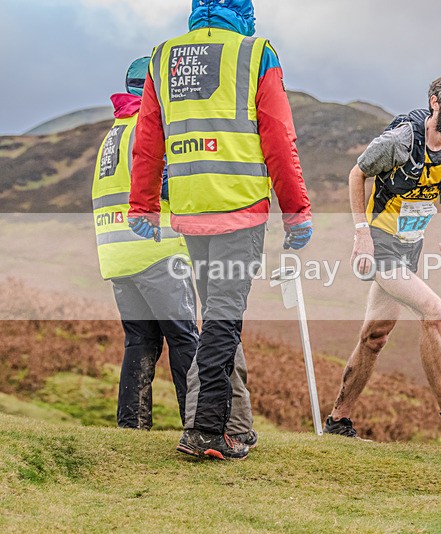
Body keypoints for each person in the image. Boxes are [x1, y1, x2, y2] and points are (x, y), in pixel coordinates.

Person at [128, 0, 312, 460]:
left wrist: (144, 205)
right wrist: (297, 211)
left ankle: (228, 425)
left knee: (216, 316)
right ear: (243, 11)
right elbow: (278, 138)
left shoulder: (161, 56)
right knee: (224, 318)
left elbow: (148, 140)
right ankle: (207, 429)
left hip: (191, 209)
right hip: (240, 207)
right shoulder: (256, 53)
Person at [325, 67, 441, 444]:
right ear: (435, 103)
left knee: (375, 336)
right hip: (379, 248)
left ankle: (337, 421)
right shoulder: (400, 141)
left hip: (409, 246)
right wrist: (361, 232)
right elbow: (357, 173)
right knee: (433, 312)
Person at [92, 57, 198, 430]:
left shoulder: (114, 133)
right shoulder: (150, 126)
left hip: (117, 254)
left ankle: (132, 426)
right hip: (158, 250)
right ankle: (198, 424)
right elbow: (170, 184)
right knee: (186, 338)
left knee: (140, 341)